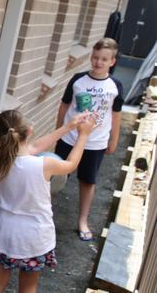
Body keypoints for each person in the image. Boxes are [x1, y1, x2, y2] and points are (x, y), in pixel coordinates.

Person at [0, 109, 95, 293]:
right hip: (33, 238)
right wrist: (83, 135)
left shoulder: (1, 160)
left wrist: (68, 127)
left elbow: (33, 148)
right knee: (28, 286)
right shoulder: (44, 165)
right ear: (29, 131)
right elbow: (71, 165)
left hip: (4, 234)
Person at [55, 37, 124, 241]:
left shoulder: (115, 86)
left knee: (87, 180)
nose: (98, 62)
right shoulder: (78, 80)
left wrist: (114, 140)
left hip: (95, 142)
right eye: (95, 57)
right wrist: (59, 130)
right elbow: (64, 105)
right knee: (56, 177)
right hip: (69, 139)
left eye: (104, 59)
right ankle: (44, 215)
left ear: (112, 61)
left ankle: (83, 220)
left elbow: (116, 115)